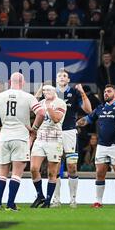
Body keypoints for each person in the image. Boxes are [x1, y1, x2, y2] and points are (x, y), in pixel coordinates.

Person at [0, 72, 44, 211]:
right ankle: (10, 204)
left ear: (10, 82)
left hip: (4, 137)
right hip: (20, 137)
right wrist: (34, 128)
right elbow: (41, 113)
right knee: (17, 172)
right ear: (23, 82)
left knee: (2, 172)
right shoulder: (28, 97)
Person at [37, 69, 92, 208]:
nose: (62, 77)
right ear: (56, 80)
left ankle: (73, 199)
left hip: (69, 132)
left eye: (65, 76)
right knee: (54, 167)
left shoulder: (74, 92)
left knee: (72, 167)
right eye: (60, 75)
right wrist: (40, 89)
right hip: (52, 133)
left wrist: (82, 92)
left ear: (68, 80)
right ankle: (56, 199)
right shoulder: (50, 93)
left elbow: (88, 110)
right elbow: (35, 105)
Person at [78, 84, 115, 209]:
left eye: (109, 91)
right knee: (99, 173)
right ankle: (98, 201)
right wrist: (75, 124)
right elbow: (86, 120)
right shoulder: (100, 108)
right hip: (102, 145)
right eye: (104, 92)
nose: (106, 94)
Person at [30, 85, 67, 208]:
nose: (46, 92)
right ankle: (40, 195)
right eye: (44, 90)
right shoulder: (41, 102)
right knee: (34, 168)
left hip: (54, 140)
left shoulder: (60, 103)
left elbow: (56, 119)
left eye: (48, 90)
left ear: (55, 91)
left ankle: (48, 200)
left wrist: (49, 109)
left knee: (52, 173)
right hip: (40, 139)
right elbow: (30, 106)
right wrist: (38, 92)